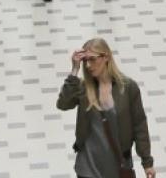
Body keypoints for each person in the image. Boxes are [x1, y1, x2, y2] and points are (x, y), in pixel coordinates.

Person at [58, 38, 156, 178]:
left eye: (92, 59)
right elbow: (63, 104)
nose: (88, 65)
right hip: (88, 166)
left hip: (118, 165)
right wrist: (74, 70)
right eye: (86, 61)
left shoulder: (128, 88)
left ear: (106, 57)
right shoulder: (83, 88)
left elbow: (139, 125)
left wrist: (147, 162)